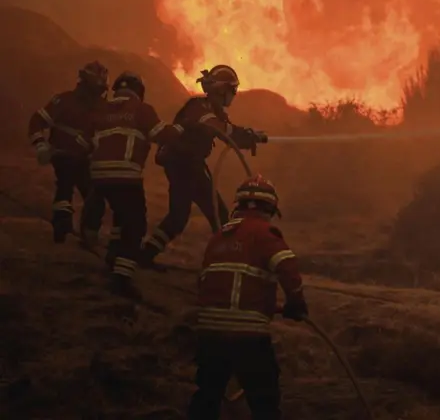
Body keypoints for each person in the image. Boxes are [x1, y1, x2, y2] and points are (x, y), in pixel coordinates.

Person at [188, 175, 307, 420]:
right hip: (247, 336)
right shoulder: (265, 233)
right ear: (270, 208)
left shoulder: (219, 236)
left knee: (208, 395)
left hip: (209, 331)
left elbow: (218, 283)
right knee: (264, 400)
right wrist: (297, 304)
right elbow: (287, 268)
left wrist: (269, 306)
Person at [142, 65, 266, 267]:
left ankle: (146, 254)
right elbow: (222, 131)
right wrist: (248, 136)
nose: (233, 95)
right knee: (218, 216)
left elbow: (228, 132)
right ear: (221, 90)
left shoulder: (212, 110)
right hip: (184, 165)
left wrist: (250, 136)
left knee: (180, 215)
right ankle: (227, 262)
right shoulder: (199, 108)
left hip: (187, 165)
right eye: (232, 90)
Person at [87, 71, 183, 299]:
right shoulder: (141, 109)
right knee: (135, 225)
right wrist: (180, 129)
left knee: (121, 217)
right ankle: (121, 279)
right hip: (126, 175)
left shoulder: (101, 109)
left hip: (98, 175)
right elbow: (162, 135)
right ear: (139, 91)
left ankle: (112, 258)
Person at [28, 61, 109, 242]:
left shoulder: (104, 108)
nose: (98, 95)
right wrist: (41, 145)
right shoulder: (63, 101)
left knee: (94, 198)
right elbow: (37, 121)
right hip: (62, 154)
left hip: (85, 159)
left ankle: (89, 234)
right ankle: (61, 224)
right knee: (65, 184)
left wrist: (96, 144)